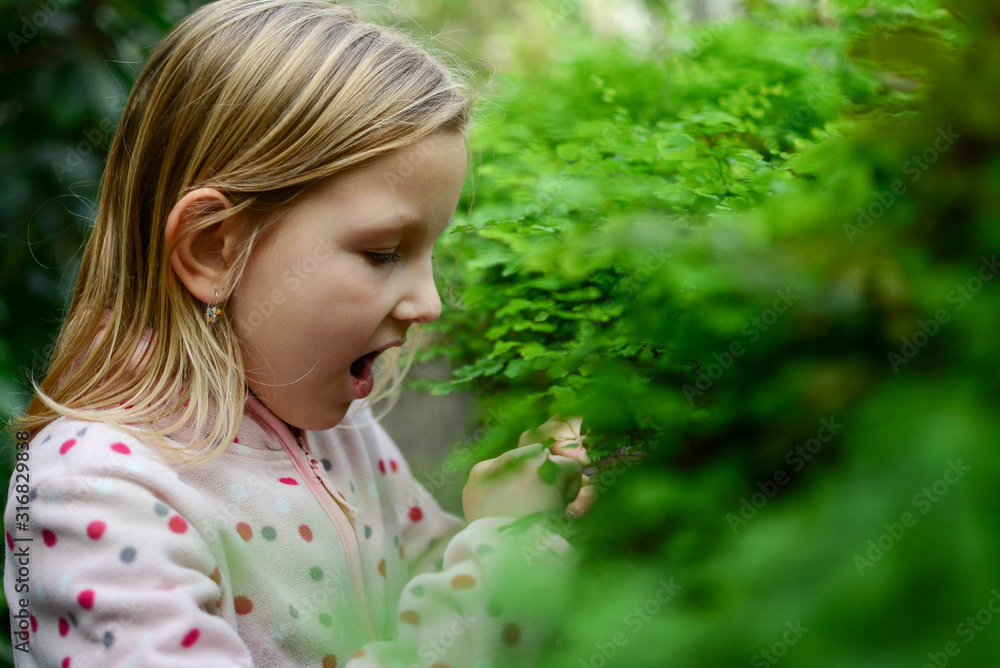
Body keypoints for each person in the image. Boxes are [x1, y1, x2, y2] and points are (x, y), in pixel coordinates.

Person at [3, 1, 595, 665]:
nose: (428, 304)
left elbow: (430, 602)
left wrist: (514, 518)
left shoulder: (340, 428)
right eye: (382, 252)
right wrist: (505, 571)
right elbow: (475, 617)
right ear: (214, 250)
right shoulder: (100, 488)